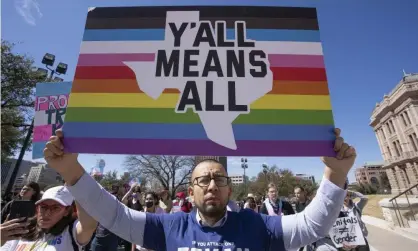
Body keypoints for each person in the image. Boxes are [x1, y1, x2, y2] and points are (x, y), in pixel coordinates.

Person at [43, 128, 356, 251]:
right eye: (202, 180)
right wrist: (71, 170)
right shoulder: (167, 227)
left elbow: (311, 225)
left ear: (229, 191)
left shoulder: (258, 225)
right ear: (189, 192)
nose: (211, 185)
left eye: (220, 179)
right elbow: (113, 215)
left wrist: (335, 174)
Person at [0, 186, 97, 251]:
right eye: (43, 206)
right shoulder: (21, 231)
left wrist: (76, 184)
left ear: (66, 211)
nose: (47, 213)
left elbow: (89, 225)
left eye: (55, 208)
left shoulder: (71, 232)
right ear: (37, 208)